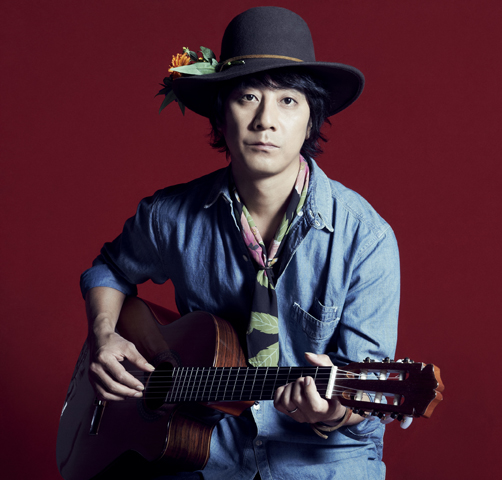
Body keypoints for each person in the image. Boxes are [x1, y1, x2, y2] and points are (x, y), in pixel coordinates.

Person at [81, 7, 401, 480]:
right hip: (199, 451)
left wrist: (333, 412)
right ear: (220, 114)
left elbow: (368, 389)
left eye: (288, 100)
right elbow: (109, 269)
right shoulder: (170, 216)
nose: (265, 120)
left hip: (322, 460)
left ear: (311, 119)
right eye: (248, 97)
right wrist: (104, 335)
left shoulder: (366, 238)